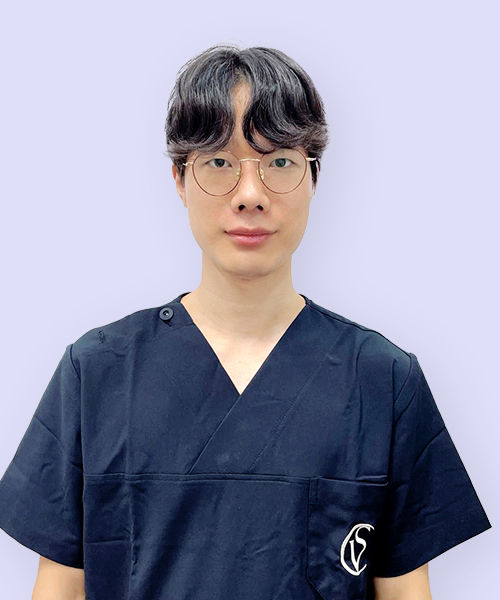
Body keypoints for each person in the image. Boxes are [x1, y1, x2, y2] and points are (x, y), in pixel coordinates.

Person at [0, 43, 491, 600]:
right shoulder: (96, 373)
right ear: (179, 178)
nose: (250, 195)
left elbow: (404, 591)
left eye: (279, 162)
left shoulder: (382, 381)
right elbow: (60, 587)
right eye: (219, 163)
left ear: (313, 177)